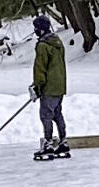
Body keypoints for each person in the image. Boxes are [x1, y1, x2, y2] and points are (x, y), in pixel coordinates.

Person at [30, 14, 70, 159]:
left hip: (49, 87)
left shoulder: (43, 46)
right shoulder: (57, 42)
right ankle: (63, 141)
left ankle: (48, 143)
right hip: (59, 86)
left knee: (46, 115)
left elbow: (40, 68)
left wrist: (37, 85)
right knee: (57, 114)